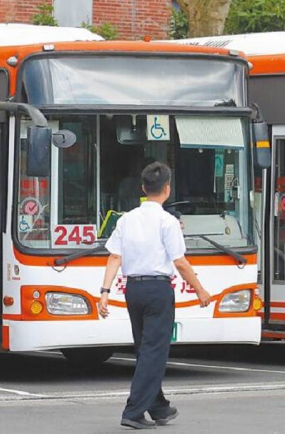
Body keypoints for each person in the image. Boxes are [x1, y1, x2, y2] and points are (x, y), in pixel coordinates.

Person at [99, 162, 211, 429]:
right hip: (158, 289)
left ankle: (158, 407)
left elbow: (115, 256)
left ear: (143, 188)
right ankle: (133, 411)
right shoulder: (167, 221)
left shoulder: (126, 218)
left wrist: (104, 292)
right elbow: (180, 262)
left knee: (145, 349)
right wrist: (200, 289)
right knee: (154, 351)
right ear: (167, 189)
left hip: (133, 289)